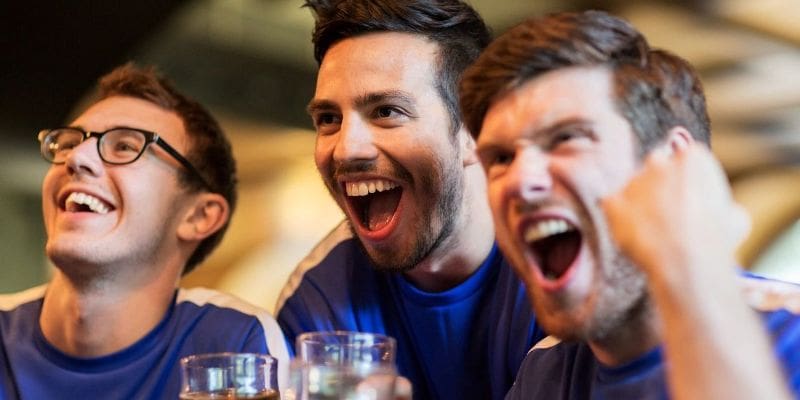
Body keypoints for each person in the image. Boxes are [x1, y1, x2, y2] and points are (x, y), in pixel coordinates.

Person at [459, 10, 800, 399]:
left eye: (566, 137)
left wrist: (688, 264)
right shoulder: (544, 370)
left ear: (675, 165)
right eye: (501, 158)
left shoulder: (791, 335)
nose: (520, 179)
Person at [274, 1, 544, 399]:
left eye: (386, 111)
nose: (347, 150)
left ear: (476, 129)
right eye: (329, 119)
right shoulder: (319, 300)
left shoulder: (564, 263)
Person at [0, 63, 289, 399]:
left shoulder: (233, 345)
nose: (76, 158)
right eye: (66, 143)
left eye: (124, 146)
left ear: (198, 216)